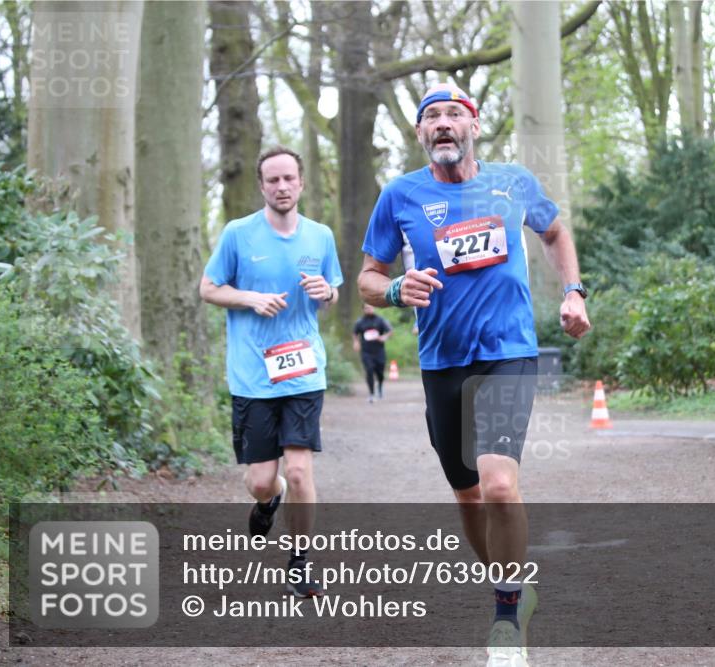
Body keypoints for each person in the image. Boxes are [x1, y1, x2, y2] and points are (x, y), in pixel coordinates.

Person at [357, 83, 590, 666]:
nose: (442, 124)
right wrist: (391, 289)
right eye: (430, 116)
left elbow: (555, 231)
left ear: (473, 126)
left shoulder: (512, 183)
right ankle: (510, 586)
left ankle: (507, 620)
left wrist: (573, 292)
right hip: (442, 361)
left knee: (499, 486)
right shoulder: (400, 195)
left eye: (452, 114)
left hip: (509, 352)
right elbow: (366, 275)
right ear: (419, 134)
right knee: (467, 496)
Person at [200, 145, 342, 598]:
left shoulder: (320, 236)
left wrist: (328, 293)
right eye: (273, 180)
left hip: (303, 370)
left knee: (301, 471)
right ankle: (270, 498)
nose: (282, 187)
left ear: (301, 183)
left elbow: (332, 289)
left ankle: (300, 561)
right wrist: (250, 299)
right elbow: (208, 288)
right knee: (262, 480)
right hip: (252, 373)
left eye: (289, 179)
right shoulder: (238, 234)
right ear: (262, 185)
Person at [352, 303, 393, 401]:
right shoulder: (360, 322)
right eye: (366, 308)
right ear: (363, 309)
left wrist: (384, 337)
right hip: (366, 351)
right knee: (369, 370)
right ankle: (371, 393)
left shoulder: (380, 320)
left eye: (370, 307)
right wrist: (356, 342)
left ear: (374, 308)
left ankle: (380, 386)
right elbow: (355, 333)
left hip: (379, 351)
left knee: (380, 372)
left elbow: (390, 331)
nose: (369, 309)